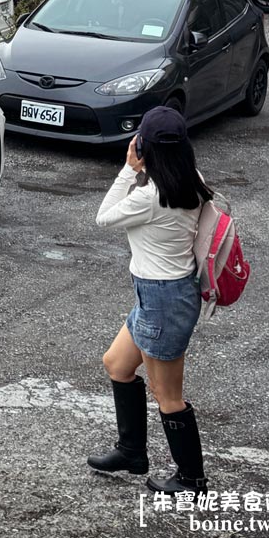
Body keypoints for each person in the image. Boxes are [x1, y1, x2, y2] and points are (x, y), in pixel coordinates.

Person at [88, 106, 213, 494]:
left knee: (168, 395)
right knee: (117, 363)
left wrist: (128, 168)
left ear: (144, 146)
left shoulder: (152, 196)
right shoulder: (190, 178)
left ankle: (191, 478)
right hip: (157, 294)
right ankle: (131, 452)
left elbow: (103, 217)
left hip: (164, 299)